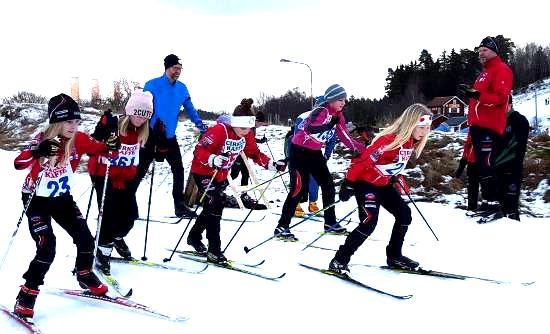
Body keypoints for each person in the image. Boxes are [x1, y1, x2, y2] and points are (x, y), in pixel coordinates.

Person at [12, 94, 120, 318]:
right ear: (57, 122)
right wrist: (37, 152)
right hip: (36, 201)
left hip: (62, 198)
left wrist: (112, 143)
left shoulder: (78, 139)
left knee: (85, 238)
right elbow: (18, 163)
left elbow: (101, 149)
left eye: (77, 121)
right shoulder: (42, 139)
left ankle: (84, 273)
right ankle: (27, 293)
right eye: (69, 121)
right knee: (47, 246)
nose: (74, 126)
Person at [329, 104, 432, 274]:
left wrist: (394, 177)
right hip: (365, 184)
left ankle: (394, 256)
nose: (424, 131)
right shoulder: (388, 141)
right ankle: (339, 260)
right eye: (421, 127)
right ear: (410, 124)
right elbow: (361, 161)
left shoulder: (410, 143)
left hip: (383, 185)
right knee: (369, 221)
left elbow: (390, 164)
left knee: (404, 214)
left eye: (427, 128)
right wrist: (348, 184)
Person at [186, 114, 287, 264]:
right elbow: (199, 151)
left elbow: (255, 154)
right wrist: (212, 159)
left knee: (211, 207)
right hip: (203, 172)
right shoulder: (220, 130)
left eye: (249, 129)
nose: (245, 132)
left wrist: (272, 164)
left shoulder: (246, 135)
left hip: (220, 176)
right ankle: (214, 250)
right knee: (217, 203)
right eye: (242, 128)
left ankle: (194, 236)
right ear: (234, 123)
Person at [275, 84, 365, 240]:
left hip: (315, 153)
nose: (343, 103)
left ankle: (330, 223)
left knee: (328, 185)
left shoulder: (339, 115)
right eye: (339, 100)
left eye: (344, 100)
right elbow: (310, 128)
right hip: (299, 151)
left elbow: (344, 136)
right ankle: (282, 226)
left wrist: (362, 149)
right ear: (330, 100)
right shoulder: (321, 111)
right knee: (298, 188)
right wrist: (329, 125)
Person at [135, 54, 209, 219]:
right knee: (140, 171)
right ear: (167, 67)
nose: (178, 71)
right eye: (176, 68)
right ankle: (127, 205)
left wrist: (200, 125)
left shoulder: (182, 88)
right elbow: (141, 107)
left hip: (169, 137)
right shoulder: (152, 85)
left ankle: (179, 206)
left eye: (180, 69)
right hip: (151, 135)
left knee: (178, 170)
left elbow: (190, 108)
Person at [88, 90, 153, 274]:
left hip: (125, 177)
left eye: (145, 116)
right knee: (109, 215)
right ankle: (102, 251)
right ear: (129, 111)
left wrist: (161, 145)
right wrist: (102, 131)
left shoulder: (144, 130)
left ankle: (116, 237)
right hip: (104, 173)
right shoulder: (113, 124)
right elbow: (92, 147)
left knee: (129, 216)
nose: (140, 119)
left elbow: (151, 151)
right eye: (137, 114)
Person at [458, 36, 513, 215]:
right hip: (478, 124)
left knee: (486, 163)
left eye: (485, 50)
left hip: (490, 125)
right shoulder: (484, 73)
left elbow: (499, 98)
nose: (481, 53)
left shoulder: (501, 69)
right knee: (480, 164)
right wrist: (472, 93)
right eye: (479, 50)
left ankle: (494, 204)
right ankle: (485, 204)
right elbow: (479, 97)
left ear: (494, 52)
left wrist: (477, 95)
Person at [291, 105, 338, 217]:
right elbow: (297, 135)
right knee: (299, 176)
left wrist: (327, 154)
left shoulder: (332, 119)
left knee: (315, 177)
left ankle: (313, 203)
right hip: (297, 147)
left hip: (314, 150)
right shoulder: (304, 117)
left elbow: (332, 139)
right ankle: (295, 204)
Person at [228, 98, 269, 210]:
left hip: (244, 154)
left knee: (245, 174)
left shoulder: (251, 129)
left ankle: (244, 195)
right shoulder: (246, 126)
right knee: (234, 174)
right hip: (238, 154)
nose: (260, 125)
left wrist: (260, 141)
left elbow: (251, 141)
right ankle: (220, 190)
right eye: (260, 123)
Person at [493, 95, 529, 220]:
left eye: (502, 105)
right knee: (500, 205)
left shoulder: (519, 120)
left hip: (512, 168)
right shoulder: (497, 121)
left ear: (509, 105)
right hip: (498, 170)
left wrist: (496, 160)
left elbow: (515, 144)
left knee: (511, 206)